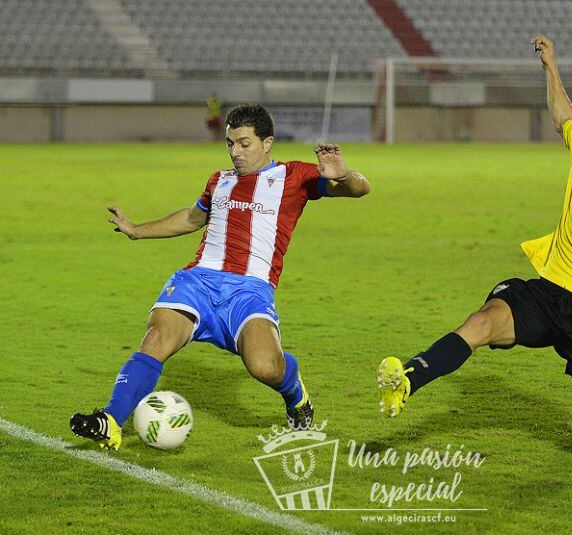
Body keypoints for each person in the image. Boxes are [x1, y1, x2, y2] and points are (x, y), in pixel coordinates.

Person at [377, 35, 572, 449]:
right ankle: (407, 379)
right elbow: (563, 116)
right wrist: (550, 65)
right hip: (548, 294)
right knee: (481, 322)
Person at [71, 104, 370, 450]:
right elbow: (191, 218)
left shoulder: (294, 177)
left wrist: (344, 175)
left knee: (265, 368)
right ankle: (110, 419)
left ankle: (295, 391)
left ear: (267, 142)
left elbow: (359, 189)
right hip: (198, 281)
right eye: (230, 143)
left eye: (244, 144)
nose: (235, 152)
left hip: (250, 290)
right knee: (157, 338)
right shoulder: (220, 180)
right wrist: (138, 230)